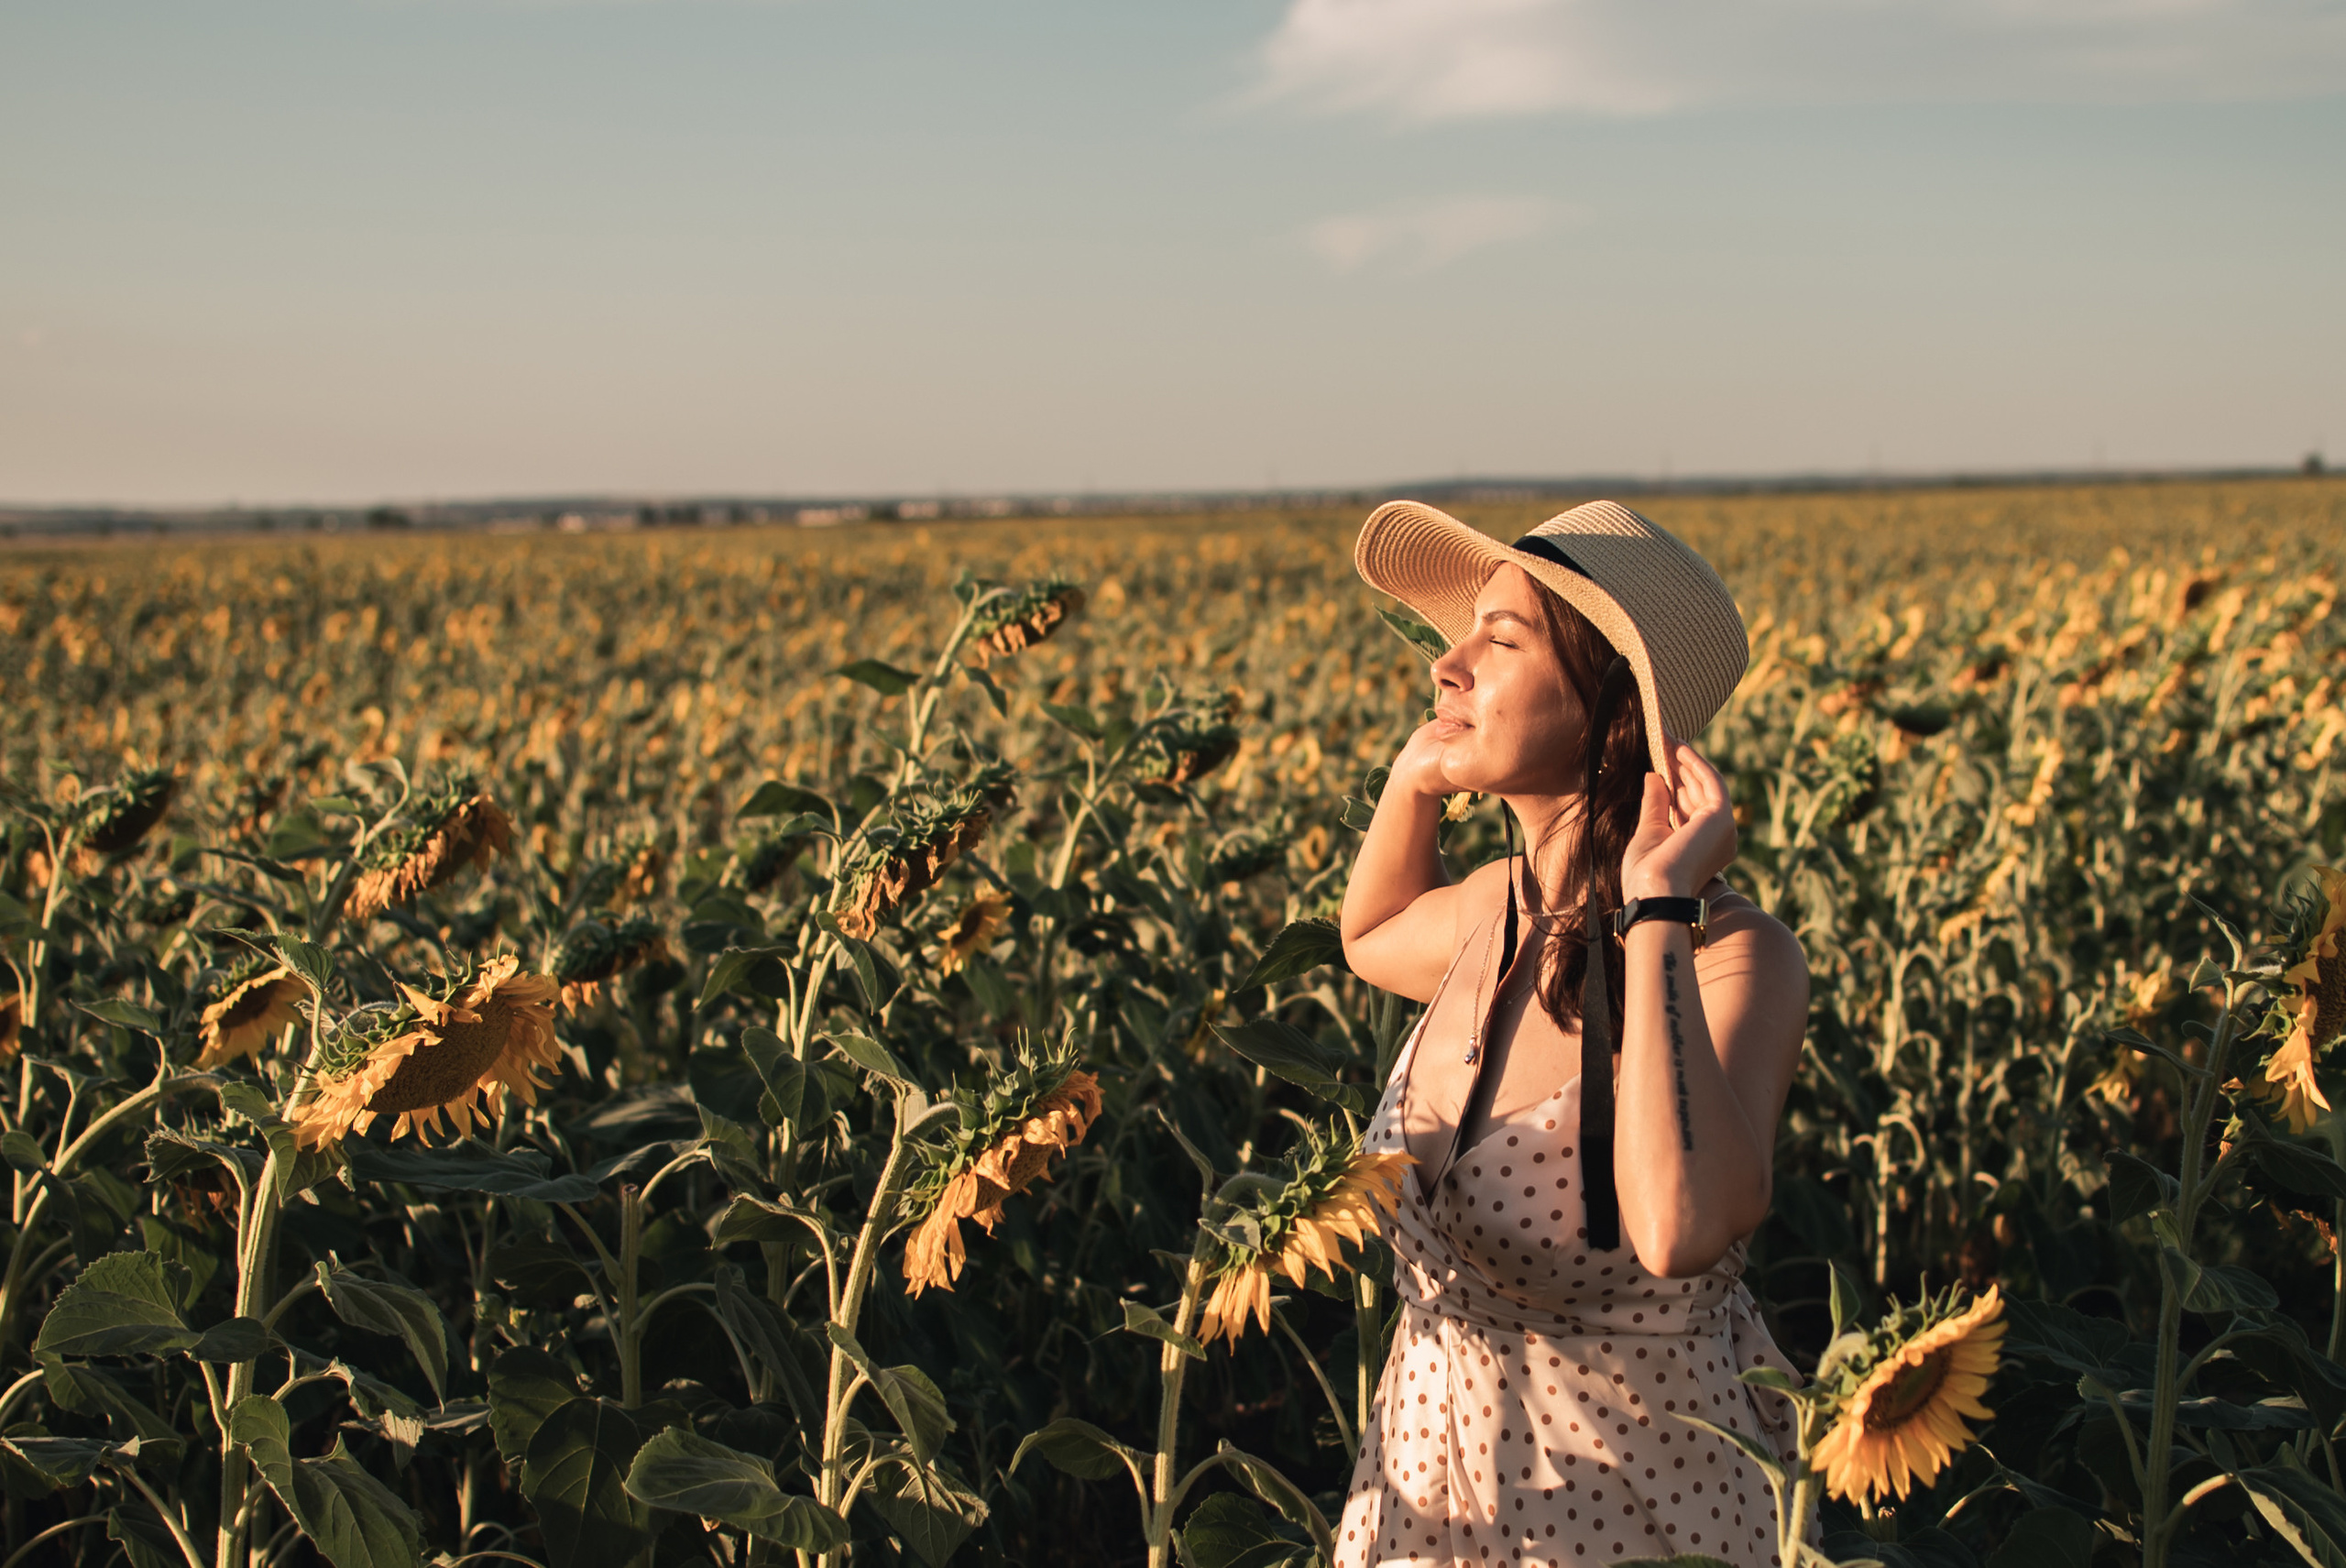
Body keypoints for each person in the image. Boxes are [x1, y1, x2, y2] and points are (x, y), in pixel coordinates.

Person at [1334, 499, 1812, 1568]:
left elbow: (1681, 1227)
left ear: (1609, 711)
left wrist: (1656, 906)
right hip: (1428, 1501)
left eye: (1499, 640)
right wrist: (1414, 776)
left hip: (1635, 1524)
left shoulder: (1734, 959)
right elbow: (1366, 933)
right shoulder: (1491, 910)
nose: (1446, 665)